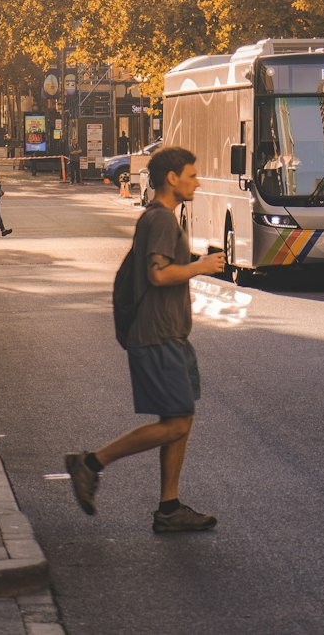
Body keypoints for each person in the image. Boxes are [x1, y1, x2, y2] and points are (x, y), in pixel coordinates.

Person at [65, 146, 225, 534]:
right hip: (156, 334)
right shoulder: (162, 221)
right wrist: (200, 267)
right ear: (172, 178)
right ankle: (90, 464)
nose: (197, 182)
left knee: (180, 420)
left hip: (169, 333)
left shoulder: (161, 217)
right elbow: (157, 274)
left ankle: (169, 507)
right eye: (191, 175)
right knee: (174, 425)